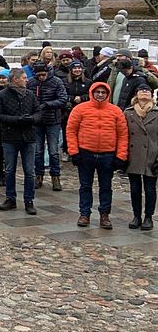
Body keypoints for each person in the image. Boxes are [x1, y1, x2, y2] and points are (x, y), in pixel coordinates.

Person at [66, 82, 128, 230]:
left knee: (106, 187)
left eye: (103, 92)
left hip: (107, 154)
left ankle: (104, 214)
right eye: (97, 92)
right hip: (85, 153)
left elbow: (123, 135)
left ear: (108, 94)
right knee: (85, 186)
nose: (100, 94)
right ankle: (84, 213)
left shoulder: (116, 111)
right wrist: (74, 152)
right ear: (92, 92)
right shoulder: (80, 109)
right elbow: (71, 130)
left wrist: (121, 156)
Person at [0, 68, 41, 215]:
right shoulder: (1, 96)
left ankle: (29, 200)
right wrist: (16, 120)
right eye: (24, 78)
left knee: (29, 171)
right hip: (10, 137)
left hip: (29, 137)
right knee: (10, 169)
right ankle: (10, 198)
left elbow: (38, 112)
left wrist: (32, 119)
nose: (27, 80)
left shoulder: (30, 95)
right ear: (16, 79)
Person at [28, 62, 68, 191]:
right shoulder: (31, 82)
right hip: (37, 121)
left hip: (53, 121)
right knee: (38, 151)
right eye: (38, 75)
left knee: (53, 151)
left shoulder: (56, 82)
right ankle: (38, 175)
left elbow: (63, 99)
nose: (41, 77)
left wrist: (47, 104)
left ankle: (55, 177)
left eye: (43, 75)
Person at [124, 87, 158, 231]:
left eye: (147, 91)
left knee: (150, 189)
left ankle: (148, 217)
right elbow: (123, 135)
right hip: (134, 155)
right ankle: (136, 215)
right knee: (135, 188)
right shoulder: (128, 112)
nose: (144, 92)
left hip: (152, 155)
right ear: (136, 95)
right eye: (141, 90)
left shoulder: (156, 113)